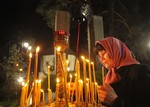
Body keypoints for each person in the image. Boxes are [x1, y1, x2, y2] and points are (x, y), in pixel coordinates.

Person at [94, 36, 150, 107]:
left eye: (104, 53)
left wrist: (116, 101)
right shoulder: (109, 77)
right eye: (99, 56)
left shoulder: (140, 71)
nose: (101, 58)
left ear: (115, 51)